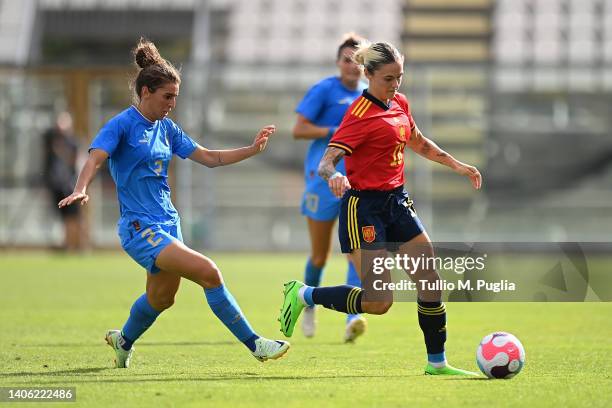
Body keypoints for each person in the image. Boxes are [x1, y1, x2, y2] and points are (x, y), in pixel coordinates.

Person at [58, 38, 289, 368]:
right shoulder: (122, 125)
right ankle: (257, 345)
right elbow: (95, 158)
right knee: (209, 272)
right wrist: (81, 186)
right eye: (167, 96)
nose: (172, 104)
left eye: (175, 98)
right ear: (146, 92)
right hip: (140, 227)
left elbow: (210, 157)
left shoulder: (167, 129)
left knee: (161, 298)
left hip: (168, 222)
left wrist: (251, 150)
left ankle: (123, 340)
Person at [279, 41, 483, 375]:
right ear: (369, 75)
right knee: (379, 302)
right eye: (388, 78)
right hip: (364, 208)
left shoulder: (399, 102)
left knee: (430, 280)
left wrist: (458, 165)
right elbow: (327, 160)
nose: (395, 84)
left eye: (399, 77)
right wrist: (334, 177)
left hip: (397, 202)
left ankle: (437, 363)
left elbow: (417, 141)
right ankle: (304, 295)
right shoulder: (358, 114)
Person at [292, 33, 367, 342]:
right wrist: (337, 131)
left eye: (358, 60)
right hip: (323, 181)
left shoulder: (367, 95)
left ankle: (353, 316)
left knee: (357, 253)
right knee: (320, 256)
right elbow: (298, 129)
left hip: (358, 184)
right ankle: (308, 304)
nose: (352, 66)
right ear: (338, 62)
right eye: (347, 60)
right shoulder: (324, 90)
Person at [43, 112, 86, 251]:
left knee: (74, 216)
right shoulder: (51, 140)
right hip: (58, 186)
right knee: (65, 217)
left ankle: (79, 244)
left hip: (71, 186)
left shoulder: (73, 142)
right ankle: (68, 244)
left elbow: (78, 161)